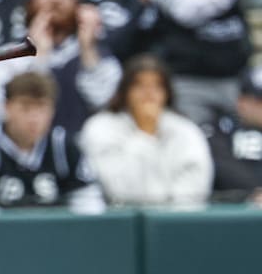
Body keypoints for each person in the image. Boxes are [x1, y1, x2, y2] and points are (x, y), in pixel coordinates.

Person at [0, 72, 106, 216]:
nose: (34, 118)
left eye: (41, 107)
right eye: (25, 108)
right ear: (6, 107)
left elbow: (89, 204)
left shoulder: (62, 145)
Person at [79, 54, 213, 206]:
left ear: (167, 92)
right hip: (119, 220)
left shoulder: (185, 130)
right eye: (139, 86)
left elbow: (194, 190)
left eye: (157, 86)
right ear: (125, 91)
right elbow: (117, 191)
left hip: (176, 222)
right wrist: (145, 133)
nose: (149, 94)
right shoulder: (100, 128)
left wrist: (166, 216)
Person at [25, 0, 122, 135]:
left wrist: (88, 49)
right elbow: (10, 108)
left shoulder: (100, 54)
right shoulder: (11, 53)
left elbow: (103, 101)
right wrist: (40, 55)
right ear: (31, 0)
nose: (55, 0)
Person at [210, 67, 262, 204]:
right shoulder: (223, 128)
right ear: (241, 102)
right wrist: (253, 189)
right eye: (259, 101)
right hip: (236, 207)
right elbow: (220, 163)